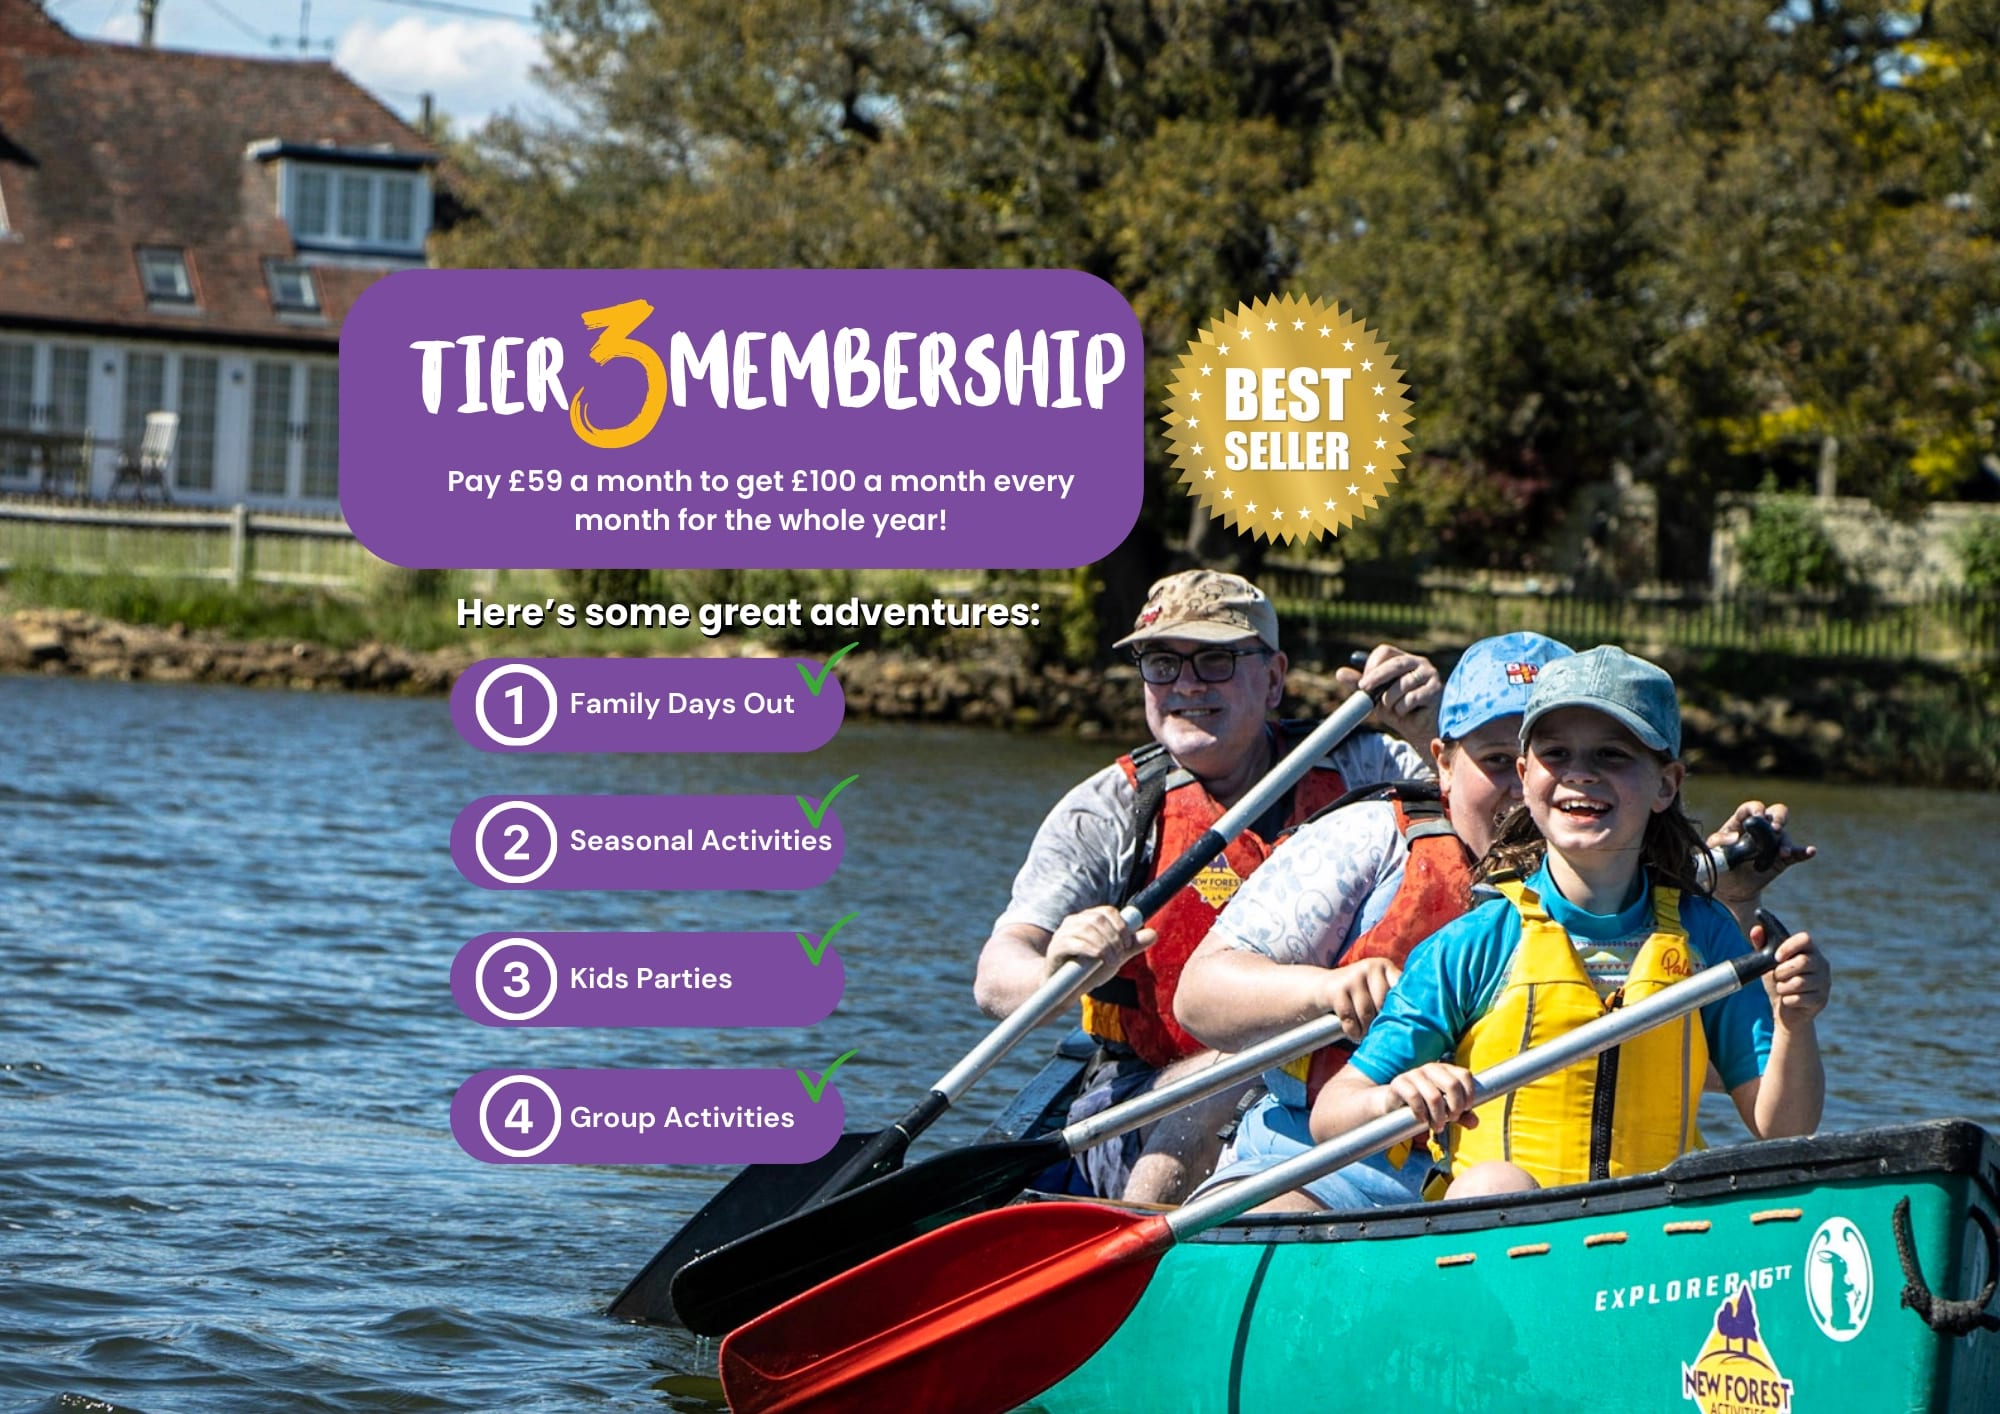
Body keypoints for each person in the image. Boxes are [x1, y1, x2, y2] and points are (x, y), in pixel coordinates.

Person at [973, 568, 1444, 1202]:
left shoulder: (1366, 763)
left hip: (1355, 1076)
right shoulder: (1111, 809)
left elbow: (1492, 811)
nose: (1187, 685)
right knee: (1238, 1066)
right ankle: (1140, 1246)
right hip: (1145, 1095)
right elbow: (996, 977)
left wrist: (1431, 725)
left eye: (1216, 661)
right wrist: (1058, 969)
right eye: (1162, 662)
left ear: (1274, 678)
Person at [1308, 646, 1832, 1199]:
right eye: (1556, 753)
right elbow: (1331, 1115)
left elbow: (1785, 1128)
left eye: (1612, 755)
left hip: (1651, 1237)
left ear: (1666, 784)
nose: (1581, 775)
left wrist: (1797, 1023)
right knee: (1495, 1182)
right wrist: (1398, 1098)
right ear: (1524, 775)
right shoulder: (1476, 943)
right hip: (1500, 1248)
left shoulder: (1707, 935)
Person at [1175, 631, 1577, 1210]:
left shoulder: (1620, 883)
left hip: (1525, 1179)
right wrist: (1327, 988)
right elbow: (1199, 996)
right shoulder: (1371, 838)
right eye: (1496, 763)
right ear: (1442, 763)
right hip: (1322, 1166)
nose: (1525, 789)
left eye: (1549, 761)